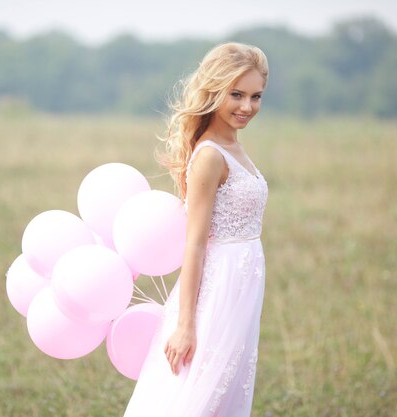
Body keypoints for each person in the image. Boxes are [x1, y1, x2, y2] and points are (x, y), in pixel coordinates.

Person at [123, 42, 270, 417]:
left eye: (255, 96)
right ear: (214, 90)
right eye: (236, 94)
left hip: (242, 287)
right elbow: (195, 245)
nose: (247, 107)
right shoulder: (209, 156)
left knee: (224, 390)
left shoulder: (233, 144)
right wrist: (186, 324)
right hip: (217, 288)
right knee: (197, 393)